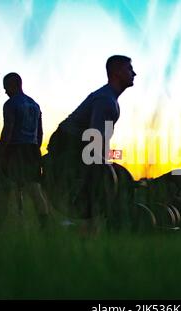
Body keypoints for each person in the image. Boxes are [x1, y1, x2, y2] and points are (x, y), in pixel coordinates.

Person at [45, 55, 136, 233]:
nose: (134, 73)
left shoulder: (111, 100)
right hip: (66, 142)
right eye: (129, 69)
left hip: (80, 142)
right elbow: (95, 137)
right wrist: (104, 163)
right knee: (98, 172)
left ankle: (94, 224)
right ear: (117, 72)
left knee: (104, 166)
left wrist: (110, 159)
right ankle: (76, 223)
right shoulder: (106, 100)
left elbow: (101, 138)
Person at [0, 72, 49, 226]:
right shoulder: (35, 105)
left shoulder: (11, 104)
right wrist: (35, 149)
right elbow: (40, 132)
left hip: (15, 149)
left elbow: (8, 130)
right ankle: (44, 223)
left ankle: (4, 222)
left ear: (14, 84)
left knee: (7, 186)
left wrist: (0, 154)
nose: (5, 91)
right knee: (34, 188)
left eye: (6, 87)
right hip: (32, 149)